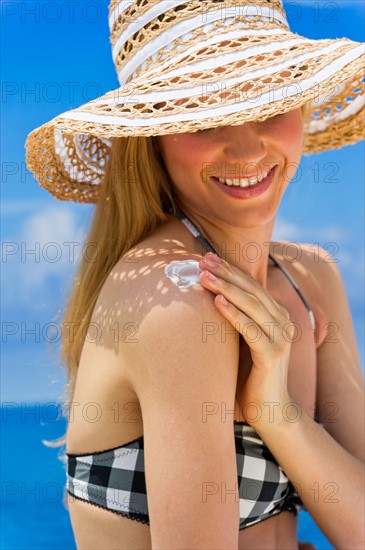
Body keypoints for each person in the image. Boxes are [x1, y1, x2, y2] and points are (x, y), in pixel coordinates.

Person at [25, 1, 365, 548]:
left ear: (300, 106)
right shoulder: (178, 299)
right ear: (153, 136)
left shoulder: (309, 278)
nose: (247, 146)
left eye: (268, 100)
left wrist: (277, 415)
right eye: (205, 114)